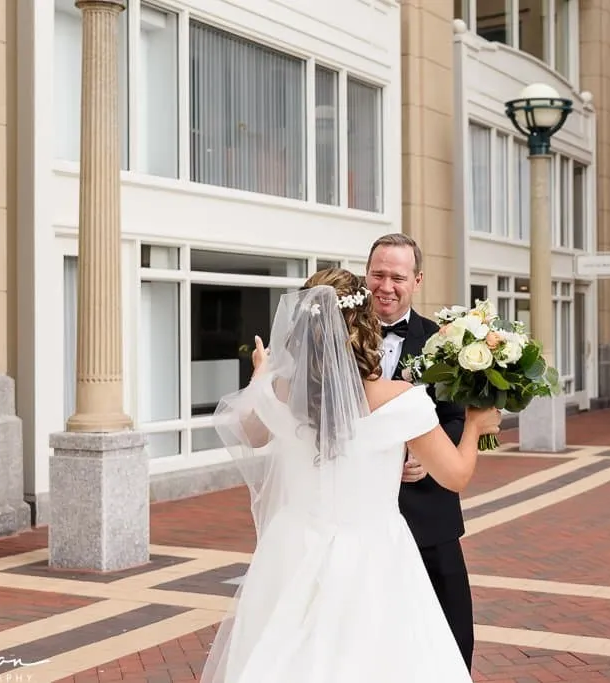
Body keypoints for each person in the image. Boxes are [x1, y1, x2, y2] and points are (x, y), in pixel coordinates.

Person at [199, 268, 500, 683]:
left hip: (294, 546)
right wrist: (474, 425)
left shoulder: (285, 392)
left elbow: (251, 434)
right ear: (364, 324)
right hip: (373, 552)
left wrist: (261, 375)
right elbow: (456, 476)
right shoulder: (400, 399)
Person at [365, 232, 476, 670]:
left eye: (397, 276)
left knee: (451, 626)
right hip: (363, 512)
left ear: (418, 280)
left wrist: (426, 461)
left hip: (428, 513)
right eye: (377, 274)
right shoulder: (339, 342)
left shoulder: (443, 345)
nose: (385, 286)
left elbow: (455, 417)